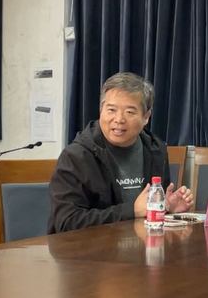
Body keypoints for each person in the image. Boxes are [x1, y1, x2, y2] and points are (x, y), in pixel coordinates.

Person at [48, 72, 194, 233]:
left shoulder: (155, 150)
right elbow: (66, 222)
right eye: (111, 110)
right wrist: (132, 211)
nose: (119, 119)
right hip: (91, 247)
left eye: (129, 112)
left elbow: (151, 213)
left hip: (144, 245)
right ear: (101, 110)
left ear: (146, 117)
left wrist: (167, 207)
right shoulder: (76, 157)